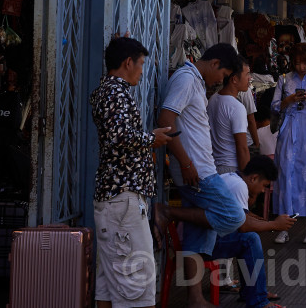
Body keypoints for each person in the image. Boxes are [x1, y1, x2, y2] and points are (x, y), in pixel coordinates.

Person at [158, 43, 246, 308]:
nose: (221, 82)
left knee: (198, 236)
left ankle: (195, 298)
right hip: (196, 171)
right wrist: (185, 162)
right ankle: (167, 213)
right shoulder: (186, 79)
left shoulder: (195, 81)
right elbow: (166, 119)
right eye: (223, 75)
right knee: (234, 214)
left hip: (199, 168)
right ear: (215, 63)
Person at [90, 37, 173, 308]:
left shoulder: (108, 90)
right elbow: (119, 137)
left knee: (110, 283)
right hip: (122, 199)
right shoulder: (115, 92)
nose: (141, 70)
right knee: (138, 282)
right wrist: (151, 139)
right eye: (140, 65)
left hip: (116, 199)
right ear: (128, 63)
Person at [161, 155, 294, 308]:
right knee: (250, 239)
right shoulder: (239, 186)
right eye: (264, 185)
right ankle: (258, 300)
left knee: (249, 238)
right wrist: (274, 225)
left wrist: (268, 221)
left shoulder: (232, 178)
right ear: (254, 178)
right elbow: (243, 226)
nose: (263, 191)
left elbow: (245, 217)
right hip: (197, 243)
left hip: (194, 237)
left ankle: (254, 293)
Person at [271, 43, 306, 244]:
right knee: (286, 175)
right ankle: (283, 226)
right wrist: (290, 99)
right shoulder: (284, 79)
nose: (301, 67)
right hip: (288, 130)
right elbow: (275, 106)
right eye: (296, 63)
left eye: (304, 63)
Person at [208, 57, 252, 174]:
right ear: (234, 80)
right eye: (247, 74)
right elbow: (242, 149)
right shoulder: (236, 107)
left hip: (214, 166)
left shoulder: (213, 98)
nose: (250, 78)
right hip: (231, 168)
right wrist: (246, 177)